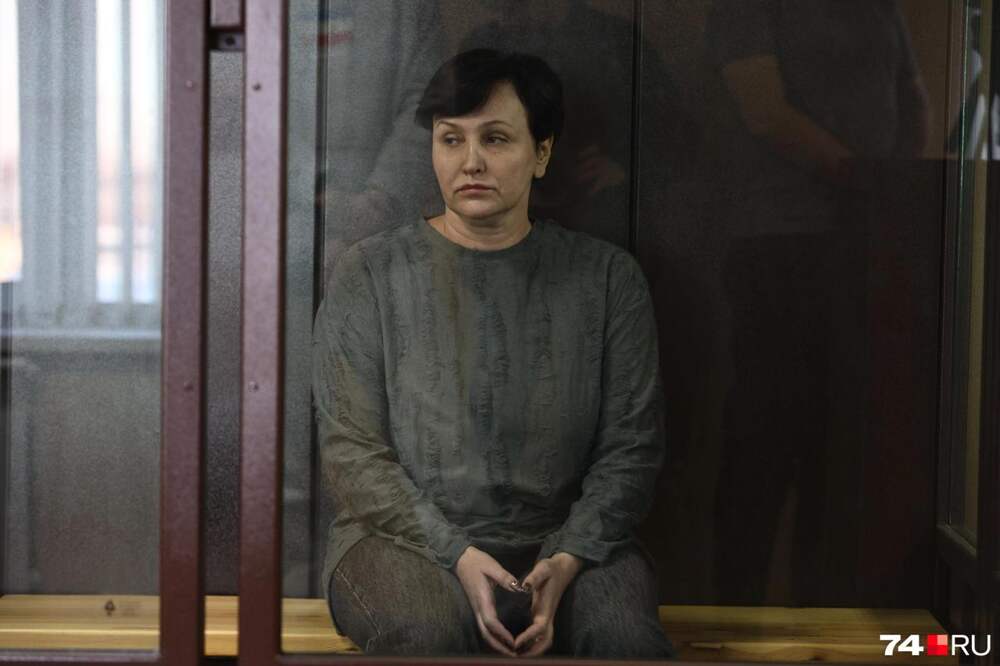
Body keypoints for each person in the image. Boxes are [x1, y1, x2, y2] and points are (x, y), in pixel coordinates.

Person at [312, 49, 674, 658]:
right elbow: (351, 453)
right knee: (429, 634)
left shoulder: (608, 279)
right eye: (451, 138)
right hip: (402, 543)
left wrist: (568, 555)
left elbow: (632, 448)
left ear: (542, 152)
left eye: (496, 138)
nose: (471, 161)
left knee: (624, 637)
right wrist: (456, 552)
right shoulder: (369, 274)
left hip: (569, 542)